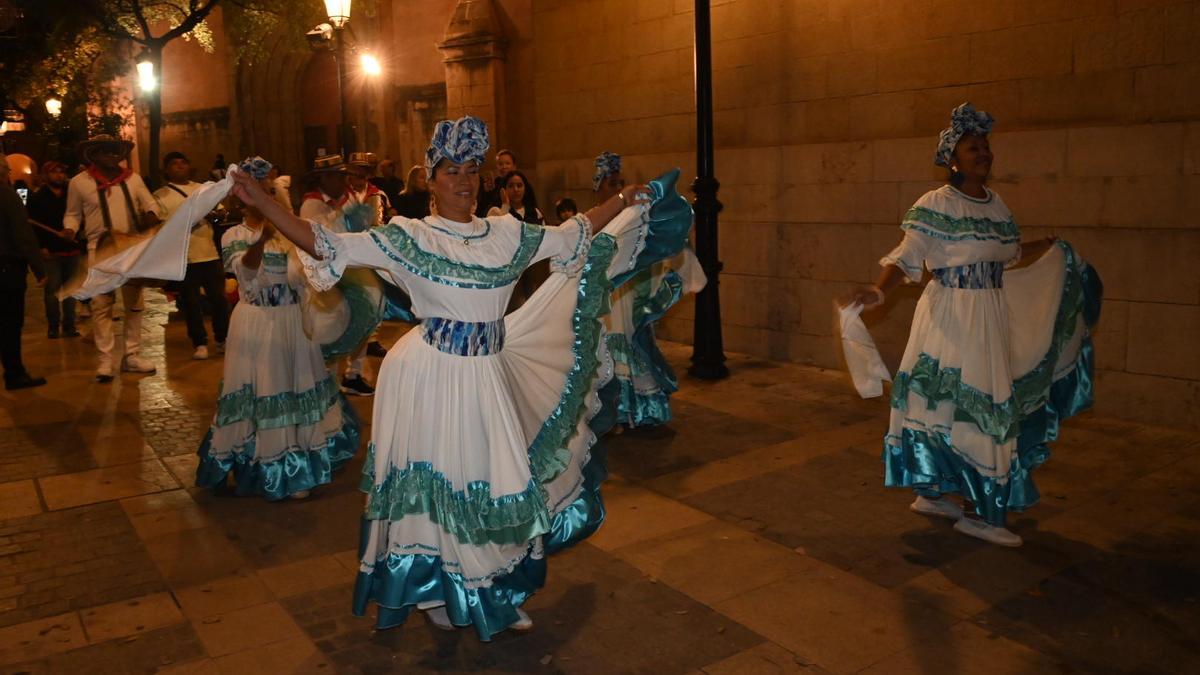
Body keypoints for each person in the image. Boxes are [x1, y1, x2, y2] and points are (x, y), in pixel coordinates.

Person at [227, 114, 693, 640]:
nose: (464, 180)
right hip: (429, 377)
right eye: (450, 170)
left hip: (488, 374)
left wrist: (624, 202)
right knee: (441, 484)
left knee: (496, 479)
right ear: (429, 179)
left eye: (472, 169)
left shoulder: (507, 234)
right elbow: (325, 244)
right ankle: (440, 589)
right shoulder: (408, 237)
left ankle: (492, 587)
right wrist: (264, 204)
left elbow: (575, 233)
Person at [846, 103, 1101, 548]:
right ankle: (976, 510)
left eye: (985, 147)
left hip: (989, 316)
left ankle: (938, 491)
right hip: (952, 317)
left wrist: (1050, 245)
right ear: (953, 159)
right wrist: (879, 290)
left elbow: (1008, 253)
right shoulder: (937, 204)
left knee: (958, 406)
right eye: (972, 147)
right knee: (966, 406)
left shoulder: (997, 205)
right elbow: (909, 252)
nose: (983, 153)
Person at [194, 192, 360, 501]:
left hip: (294, 322)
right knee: (267, 387)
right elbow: (244, 272)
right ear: (244, 203)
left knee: (297, 385)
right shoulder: (235, 234)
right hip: (257, 321)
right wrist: (260, 240)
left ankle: (302, 460)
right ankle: (275, 464)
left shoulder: (291, 233)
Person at [595, 151, 705, 429]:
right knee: (605, 349)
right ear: (598, 187)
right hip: (603, 300)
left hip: (626, 297)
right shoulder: (595, 221)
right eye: (610, 183)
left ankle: (633, 410)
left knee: (627, 342)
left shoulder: (633, 220)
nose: (617, 189)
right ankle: (611, 411)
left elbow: (647, 251)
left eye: (620, 183)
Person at [62, 135, 162, 382]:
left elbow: (151, 203)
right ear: (93, 155)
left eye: (116, 151)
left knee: (135, 304)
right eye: (105, 151)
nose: (112, 155)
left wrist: (151, 213)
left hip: (130, 248)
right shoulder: (79, 183)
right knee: (101, 306)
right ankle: (105, 361)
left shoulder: (133, 179)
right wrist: (70, 229)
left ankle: (132, 356)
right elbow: (73, 214)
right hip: (100, 250)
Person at [298, 154, 375, 396]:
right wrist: (344, 211)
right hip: (328, 275)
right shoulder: (311, 204)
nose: (344, 181)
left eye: (344, 176)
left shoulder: (347, 196)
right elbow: (320, 238)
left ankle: (354, 374)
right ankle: (326, 378)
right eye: (338, 176)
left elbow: (362, 227)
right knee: (330, 325)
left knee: (363, 318)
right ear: (324, 178)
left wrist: (363, 216)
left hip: (352, 268)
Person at [154, 152, 229, 360]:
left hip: (209, 253)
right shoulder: (160, 195)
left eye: (183, 162)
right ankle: (200, 342)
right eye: (174, 164)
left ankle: (222, 338)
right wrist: (188, 221)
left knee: (219, 299)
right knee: (191, 301)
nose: (179, 166)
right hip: (184, 257)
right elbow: (162, 225)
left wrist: (216, 215)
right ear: (166, 170)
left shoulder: (202, 188)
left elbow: (222, 211)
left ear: (190, 167)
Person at [0, 152, 48, 390]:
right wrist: (39, 268)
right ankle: (14, 373)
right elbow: (23, 236)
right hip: (7, 271)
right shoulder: (7, 196)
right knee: (10, 323)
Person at [28, 161, 82, 339]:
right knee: (52, 291)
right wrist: (41, 247)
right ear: (45, 176)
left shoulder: (71, 194)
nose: (59, 175)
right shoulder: (38, 197)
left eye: (61, 172)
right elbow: (33, 226)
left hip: (72, 249)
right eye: (54, 172)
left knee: (70, 290)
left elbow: (79, 216)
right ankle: (53, 326)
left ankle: (69, 325)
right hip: (51, 251)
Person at [347, 152, 391, 358]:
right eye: (353, 173)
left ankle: (372, 338)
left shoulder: (376, 194)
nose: (357, 178)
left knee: (376, 296)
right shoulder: (343, 195)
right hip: (348, 252)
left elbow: (379, 224)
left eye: (361, 173)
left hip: (370, 250)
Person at [474, 148, 515, 216]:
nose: (504, 167)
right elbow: (483, 207)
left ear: (514, 166)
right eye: (500, 164)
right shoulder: (495, 183)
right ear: (497, 166)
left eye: (507, 163)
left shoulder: (519, 183)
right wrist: (486, 192)